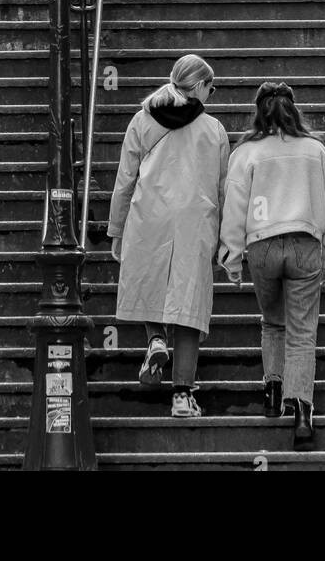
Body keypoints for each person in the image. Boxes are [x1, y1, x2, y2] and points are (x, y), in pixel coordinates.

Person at [218, 81, 325, 450]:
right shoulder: (315, 151)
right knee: (303, 331)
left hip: (262, 247)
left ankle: (272, 392)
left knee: (273, 322)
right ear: (294, 110)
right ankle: (303, 412)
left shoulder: (246, 153)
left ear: (259, 112)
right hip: (306, 243)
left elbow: (234, 205)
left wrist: (231, 256)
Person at [107, 53, 230, 419]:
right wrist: (227, 238)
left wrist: (116, 228)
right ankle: (181, 396)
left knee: (152, 286)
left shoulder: (142, 120)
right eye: (212, 87)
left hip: (149, 217)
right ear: (201, 87)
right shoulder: (214, 130)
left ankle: (156, 339)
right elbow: (225, 188)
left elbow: (125, 179)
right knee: (188, 307)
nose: (213, 93)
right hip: (195, 221)